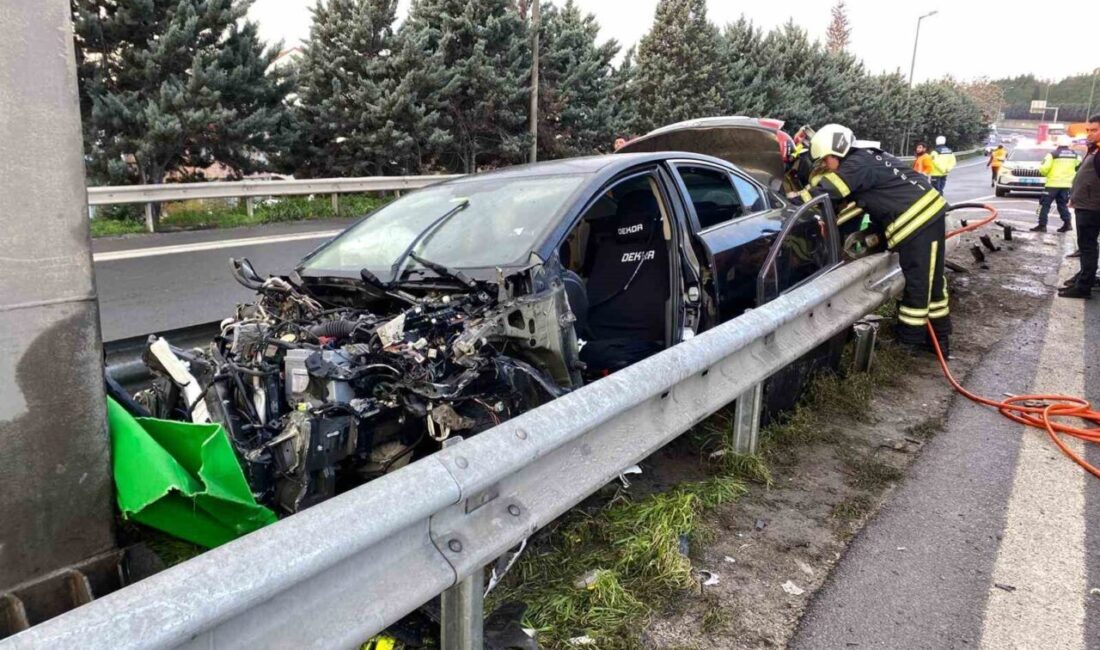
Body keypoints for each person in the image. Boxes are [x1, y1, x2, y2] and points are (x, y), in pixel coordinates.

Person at [796, 124, 950, 353]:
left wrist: (794, 202)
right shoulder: (868, 157)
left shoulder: (855, 164)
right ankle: (938, 339)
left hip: (918, 223)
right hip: (927, 218)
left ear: (834, 153)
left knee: (919, 283)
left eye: (825, 160)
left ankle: (910, 342)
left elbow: (830, 189)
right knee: (933, 283)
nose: (826, 166)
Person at [1058, 115, 1100, 299]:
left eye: (1095, 130)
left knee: (1087, 246)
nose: (1090, 134)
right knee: (1087, 246)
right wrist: (1075, 197)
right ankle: (1085, 277)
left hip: (1093, 208)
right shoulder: (1094, 150)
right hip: (1086, 204)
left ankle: (1084, 286)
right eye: (1088, 130)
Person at [1032, 135, 1080, 233]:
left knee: (1044, 204)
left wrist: (1046, 174)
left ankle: (1042, 225)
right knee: (1062, 204)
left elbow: (1044, 169)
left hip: (1052, 184)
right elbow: (1079, 168)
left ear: (1058, 143)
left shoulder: (1053, 154)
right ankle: (1067, 224)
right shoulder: (1076, 155)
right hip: (1067, 185)